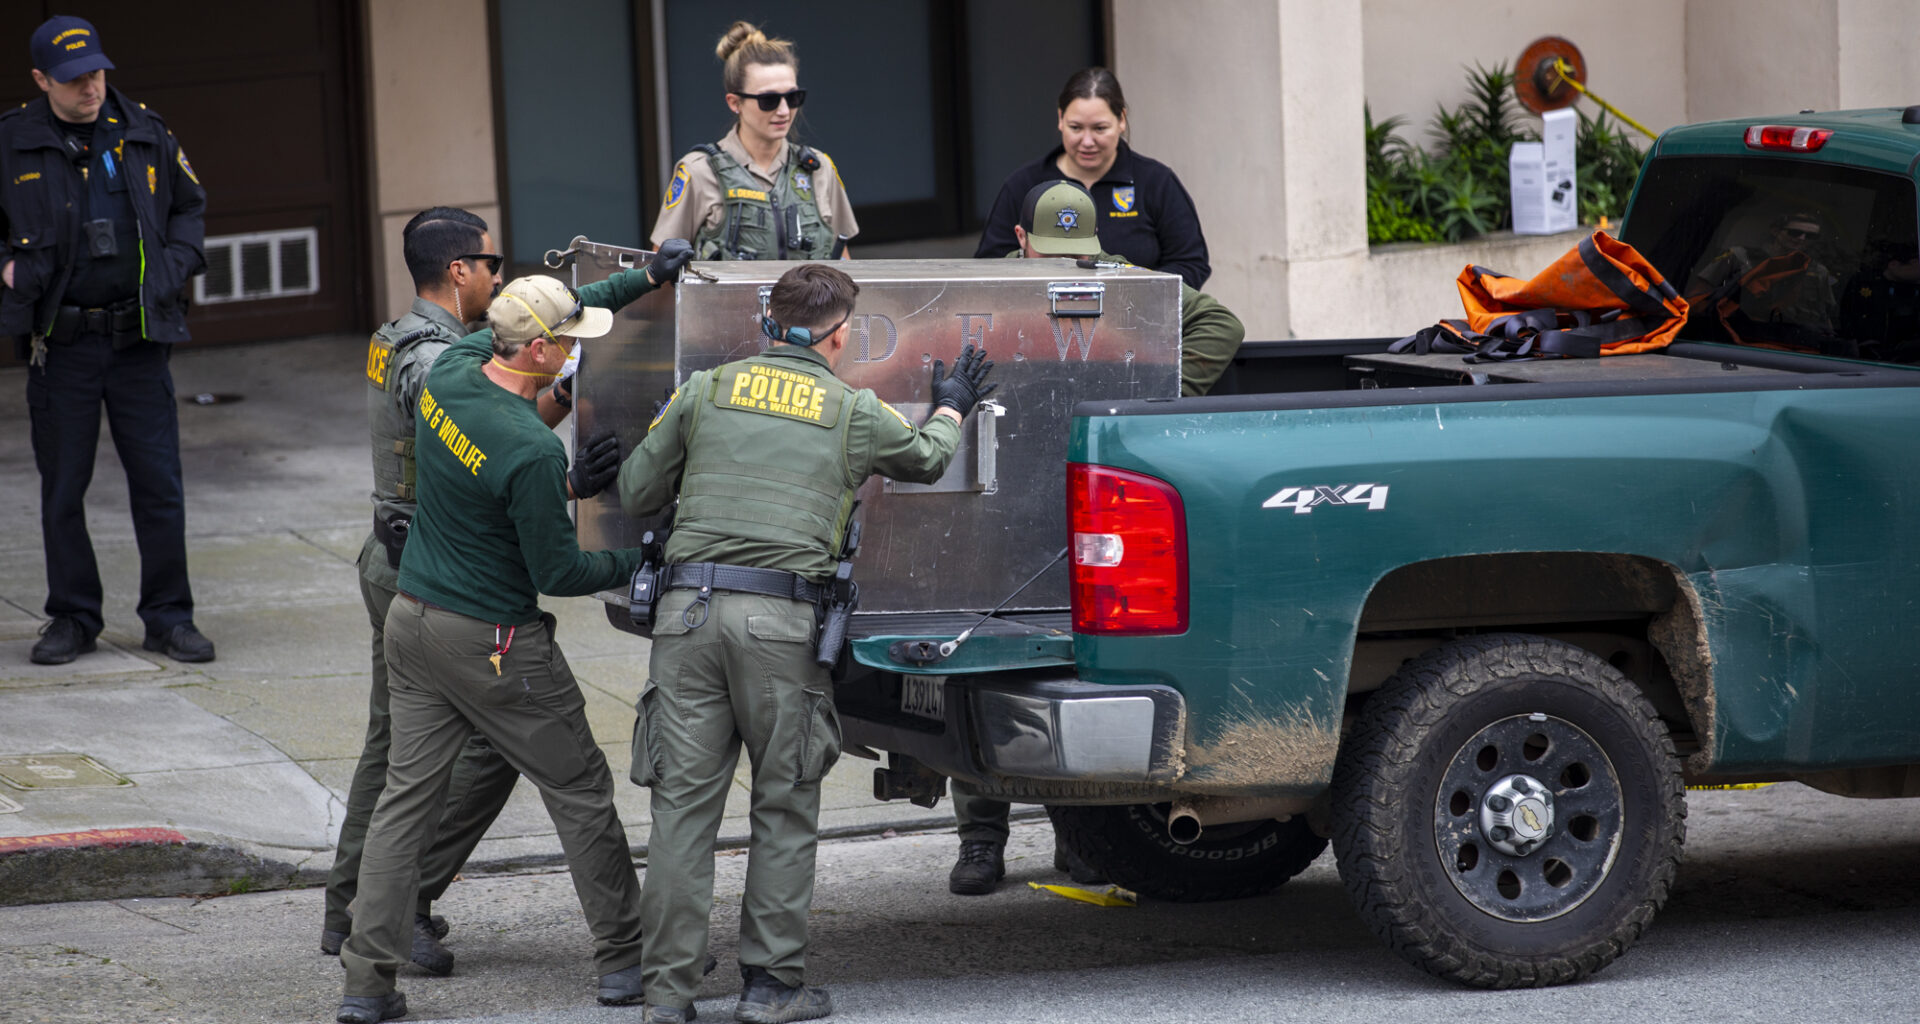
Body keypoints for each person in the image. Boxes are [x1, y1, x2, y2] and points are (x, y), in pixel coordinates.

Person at [618, 264, 996, 1024]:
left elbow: (633, 490)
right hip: (778, 626)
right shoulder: (851, 408)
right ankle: (770, 989)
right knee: (784, 806)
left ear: (768, 324)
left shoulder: (707, 390)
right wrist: (953, 406)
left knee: (681, 814)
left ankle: (667, 993)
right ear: (836, 334)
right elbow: (925, 459)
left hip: (686, 615)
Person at [335, 244, 693, 1024]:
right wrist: (644, 558)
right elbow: (559, 572)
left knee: (404, 803)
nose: (576, 352)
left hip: (412, 620)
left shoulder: (457, 367)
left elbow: (486, 488)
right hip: (493, 640)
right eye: (568, 342)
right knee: (580, 791)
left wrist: (647, 279)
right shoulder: (529, 445)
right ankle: (625, 962)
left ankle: (366, 985)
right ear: (537, 350)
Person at [950, 179, 1243, 896]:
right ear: (1022, 243)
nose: (1071, 267)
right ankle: (980, 838)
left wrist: (1155, 407)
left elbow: (1221, 326)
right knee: (983, 659)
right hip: (1004, 492)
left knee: (1070, 662)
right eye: (1057, 254)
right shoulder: (991, 291)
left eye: (1082, 254)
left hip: (1086, 489)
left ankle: (1074, 838)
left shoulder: (1130, 284)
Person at [321, 208, 524, 975]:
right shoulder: (433, 358)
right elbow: (466, 428)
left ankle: (348, 910)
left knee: (389, 742)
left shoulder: (390, 333)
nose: (500, 277)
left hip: (391, 556)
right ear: (462, 271)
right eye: (492, 264)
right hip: (426, 573)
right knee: (492, 741)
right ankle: (395, 904)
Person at [2, 16, 212, 666]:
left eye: (95, 71)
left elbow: (188, 204)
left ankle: (169, 617)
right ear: (42, 81)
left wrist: (177, 264)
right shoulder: (13, 142)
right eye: (73, 78)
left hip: (138, 339)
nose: (90, 85)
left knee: (159, 485)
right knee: (63, 487)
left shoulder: (145, 128)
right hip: (62, 346)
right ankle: (72, 616)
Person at [974, 67, 1211, 289]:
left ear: (1121, 120)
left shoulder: (1156, 182)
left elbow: (1191, 263)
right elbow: (989, 267)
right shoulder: (1024, 185)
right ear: (1060, 119)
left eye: (1099, 129)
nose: (1087, 141)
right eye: (1076, 128)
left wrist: (1136, 298)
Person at [650, 21, 857, 261]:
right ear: (734, 102)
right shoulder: (698, 172)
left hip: (808, 300)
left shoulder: (819, 168)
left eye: (792, 97)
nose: (783, 111)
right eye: (768, 100)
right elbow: (661, 267)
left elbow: (842, 260)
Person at [1685, 210, 1841, 346]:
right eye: (1794, 232)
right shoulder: (1739, 257)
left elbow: (1824, 316)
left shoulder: (1818, 271)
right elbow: (1698, 298)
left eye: (1810, 236)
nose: (1802, 238)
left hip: (1793, 345)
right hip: (1734, 339)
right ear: (1775, 231)